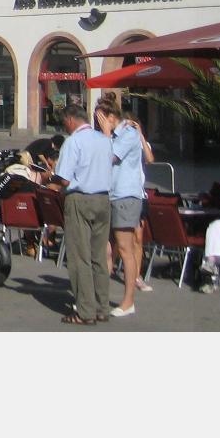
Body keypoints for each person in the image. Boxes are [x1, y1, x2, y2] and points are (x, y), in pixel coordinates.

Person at [42, 101, 112, 325]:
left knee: (79, 256)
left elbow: (64, 178)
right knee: (98, 256)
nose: (65, 128)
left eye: (64, 123)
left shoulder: (73, 142)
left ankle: (85, 311)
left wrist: (49, 179)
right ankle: (102, 307)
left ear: (71, 120)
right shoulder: (104, 140)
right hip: (103, 198)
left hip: (80, 199)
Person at [98, 100, 152, 317]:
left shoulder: (128, 134)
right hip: (110, 194)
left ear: (112, 117)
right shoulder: (112, 135)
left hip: (126, 196)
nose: (99, 123)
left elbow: (109, 157)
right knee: (106, 248)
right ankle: (99, 298)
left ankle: (129, 301)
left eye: (101, 118)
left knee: (125, 247)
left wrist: (106, 133)